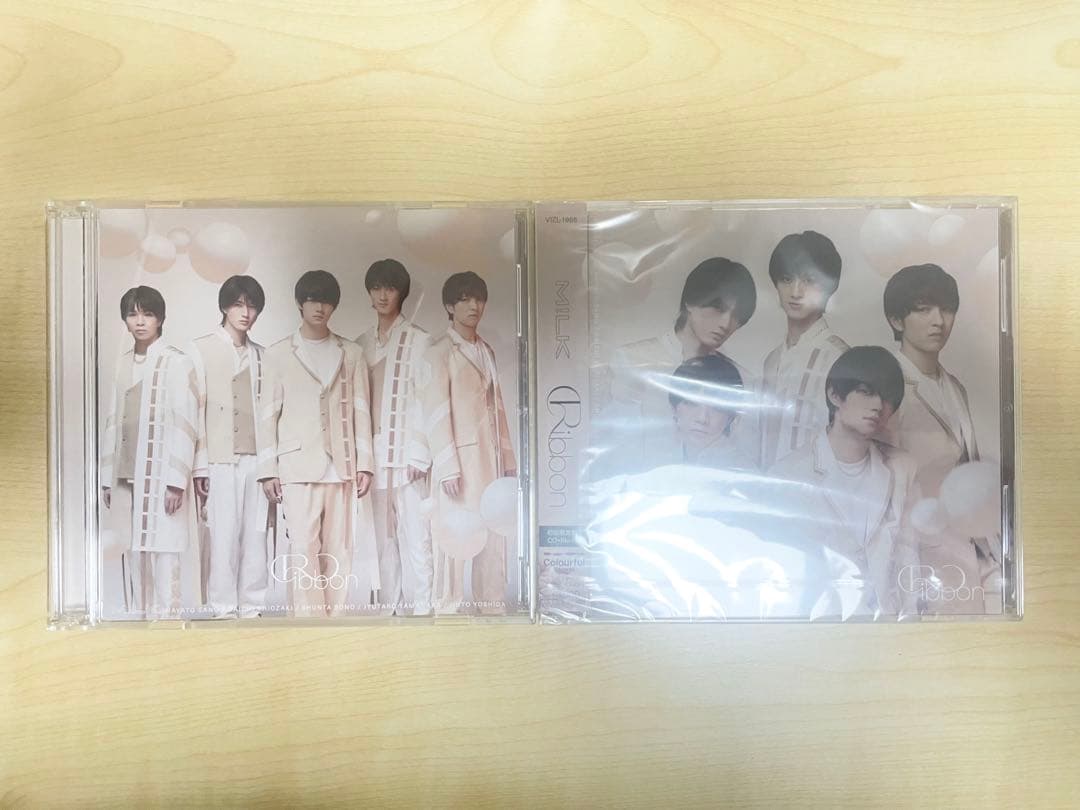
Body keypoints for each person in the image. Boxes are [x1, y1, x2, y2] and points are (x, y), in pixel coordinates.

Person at [256, 270, 375, 618]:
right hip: (296, 466)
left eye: (326, 301)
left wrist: (365, 464)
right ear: (299, 303)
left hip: (342, 465)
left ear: (334, 306)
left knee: (339, 549)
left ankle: (335, 622)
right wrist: (268, 470)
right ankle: (308, 623)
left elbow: (361, 410)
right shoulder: (278, 354)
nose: (319, 307)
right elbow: (267, 416)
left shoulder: (351, 353)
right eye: (312, 300)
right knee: (304, 548)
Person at [879, 263, 997, 613]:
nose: (938, 321)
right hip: (916, 552)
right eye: (923, 309)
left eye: (946, 309)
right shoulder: (887, 386)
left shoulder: (955, 387)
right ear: (896, 320)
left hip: (972, 546)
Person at [769, 346, 920, 618]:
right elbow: (782, 572)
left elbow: (909, 555)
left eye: (887, 398)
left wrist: (911, 623)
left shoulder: (903, 469)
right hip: (818, 625)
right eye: (866, 391)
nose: (878, 405)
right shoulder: (788, 475)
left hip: (888, 626)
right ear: (835, 395)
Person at [599, 257, 759, 472]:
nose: (726, 323)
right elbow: (609, 445)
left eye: (737, 316)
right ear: (690, 303)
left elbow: (745, 461)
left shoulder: (743, 380)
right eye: (718, 308)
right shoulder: (633, 361)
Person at [420, 271, 516, 614]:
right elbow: (434, 411)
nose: (474, 306)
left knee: (494, 532)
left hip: (491, 461)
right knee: (455, 534)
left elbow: (498, 407)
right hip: (459, 464)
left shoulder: (486, 350)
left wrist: (508, 461)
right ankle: (446, 607)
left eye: (478, 299)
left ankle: (491, 605)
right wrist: (447, 466)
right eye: (464, 299)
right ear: (450, 306)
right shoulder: (438, 352)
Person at [101, 286, 199, 619]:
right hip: (125, 474)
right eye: (133, 314)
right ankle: (139, 621)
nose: (140, 321)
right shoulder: (121, 364)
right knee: (133, 550)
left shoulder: (176, 362)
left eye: (148, 314)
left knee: (164, 551)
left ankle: (167, 622)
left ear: (160, 318)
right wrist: (107, 477)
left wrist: (176, 481)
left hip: (160, 472)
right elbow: (113, 420)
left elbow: (186, 423)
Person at [355, 259, 434, 616]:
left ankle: (423, 608)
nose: (383, 295)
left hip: (407, 458)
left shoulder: (419, 340)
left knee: (417, 536)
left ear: (402, 292)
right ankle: (390, 611)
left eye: (390, 288)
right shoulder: (360, 345)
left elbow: (425, 398)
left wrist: (419, 453)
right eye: (377, 288)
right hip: (373, 458)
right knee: (381, 541)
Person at [189, 275, 269, 619]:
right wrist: (200, 465)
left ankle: (252, 607)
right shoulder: (200, 349)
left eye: (252, 306)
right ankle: (223, 608)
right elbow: (195, 410)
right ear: (224, 307)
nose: (245, 313)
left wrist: (271, 465)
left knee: (255, 536)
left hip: (257, 459)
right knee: (221, 536)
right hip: (218, 459)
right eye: (238, 305)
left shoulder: (263, 356)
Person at [760, 231, 849, 470]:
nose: (796, 292)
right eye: (787, 279)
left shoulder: (839, 358)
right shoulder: (772, 360)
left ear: (830, 286)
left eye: (809, 280)